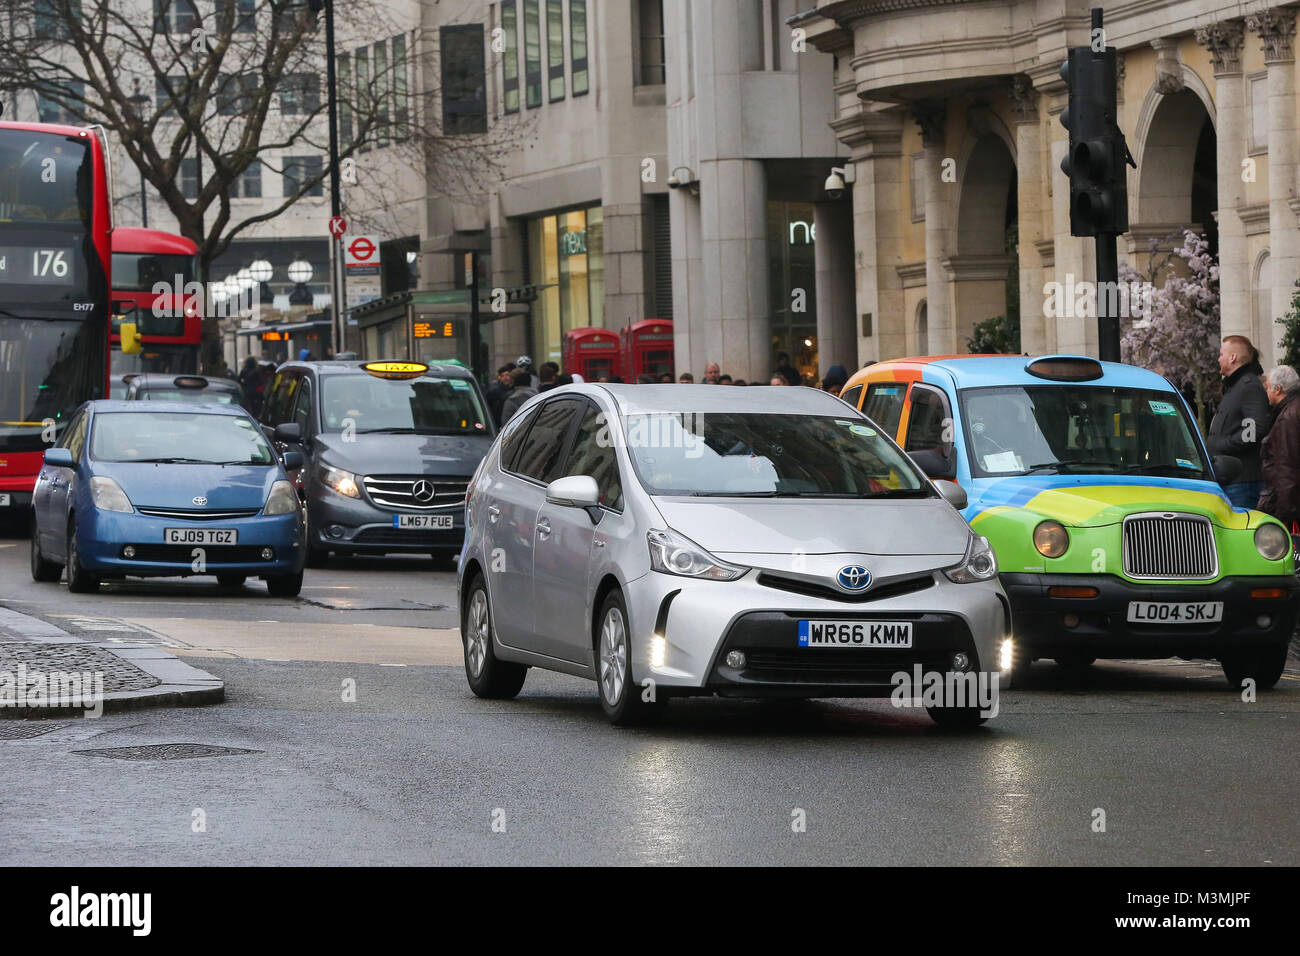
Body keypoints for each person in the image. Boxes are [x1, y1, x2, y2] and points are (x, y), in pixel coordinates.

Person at [1208, 335, 1274, 508]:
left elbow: (1255, 430)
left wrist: (1222, 444)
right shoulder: (1236, 387)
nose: (1218, 359)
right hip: (1233, 480)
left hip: (1242, 483)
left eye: (1222, 354)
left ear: (1233, 358)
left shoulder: (1248, 386)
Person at [1258, 365, 1300, 530]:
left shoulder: (1287, 418)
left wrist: (1285, 516)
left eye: (1267, 387)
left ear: (1278, 389)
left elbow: (1286, 468)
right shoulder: (1292, 410)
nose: (1266, 392)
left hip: (1289, 508)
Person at [484, 363, 516, 427]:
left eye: (507, 375)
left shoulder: (514, 390)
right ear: (500, 378)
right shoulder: (494, 392)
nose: (505, 378)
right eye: (502, 376)